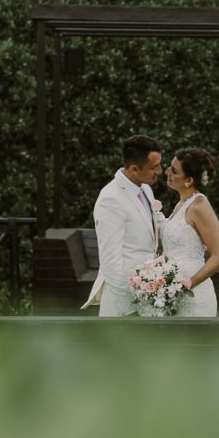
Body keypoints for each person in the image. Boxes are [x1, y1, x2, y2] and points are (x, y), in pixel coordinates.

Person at [81, 135, 163, 316]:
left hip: (148, 298)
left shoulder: (145, 189)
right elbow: (110, 261)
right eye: (154, 167)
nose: (160, 171)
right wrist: (129, 308)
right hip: (125, 305)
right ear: (134, 169)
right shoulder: (111, 198)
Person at [161, 148, 219, 317]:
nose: (167, 171)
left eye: (174, 170)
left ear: (189, 180)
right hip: (172, 293)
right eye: (170, 167)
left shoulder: (199, 206)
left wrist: (187, 284)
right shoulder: (180, 205)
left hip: (194, 296)